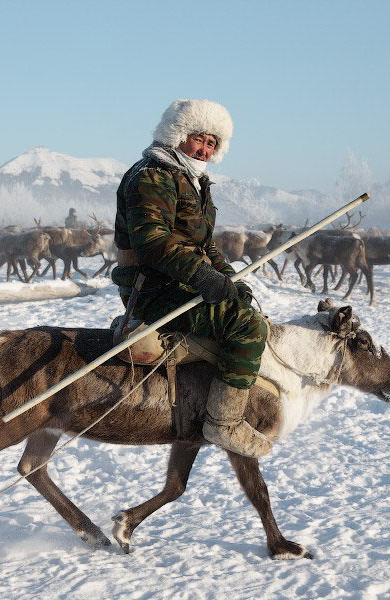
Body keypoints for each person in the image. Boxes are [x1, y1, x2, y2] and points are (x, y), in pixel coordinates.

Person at [112, 99, 271, 458]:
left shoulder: (192, 179)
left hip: (183, 283)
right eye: (199, 138)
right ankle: (224, 422)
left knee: (245, 306)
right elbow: (152, 241)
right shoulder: (152, 175)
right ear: (178, 134)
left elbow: (204, 244)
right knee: (248, 327)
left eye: (212, 143)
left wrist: (228, 277)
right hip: (153, 289)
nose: (204, 149)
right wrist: (202, 276)